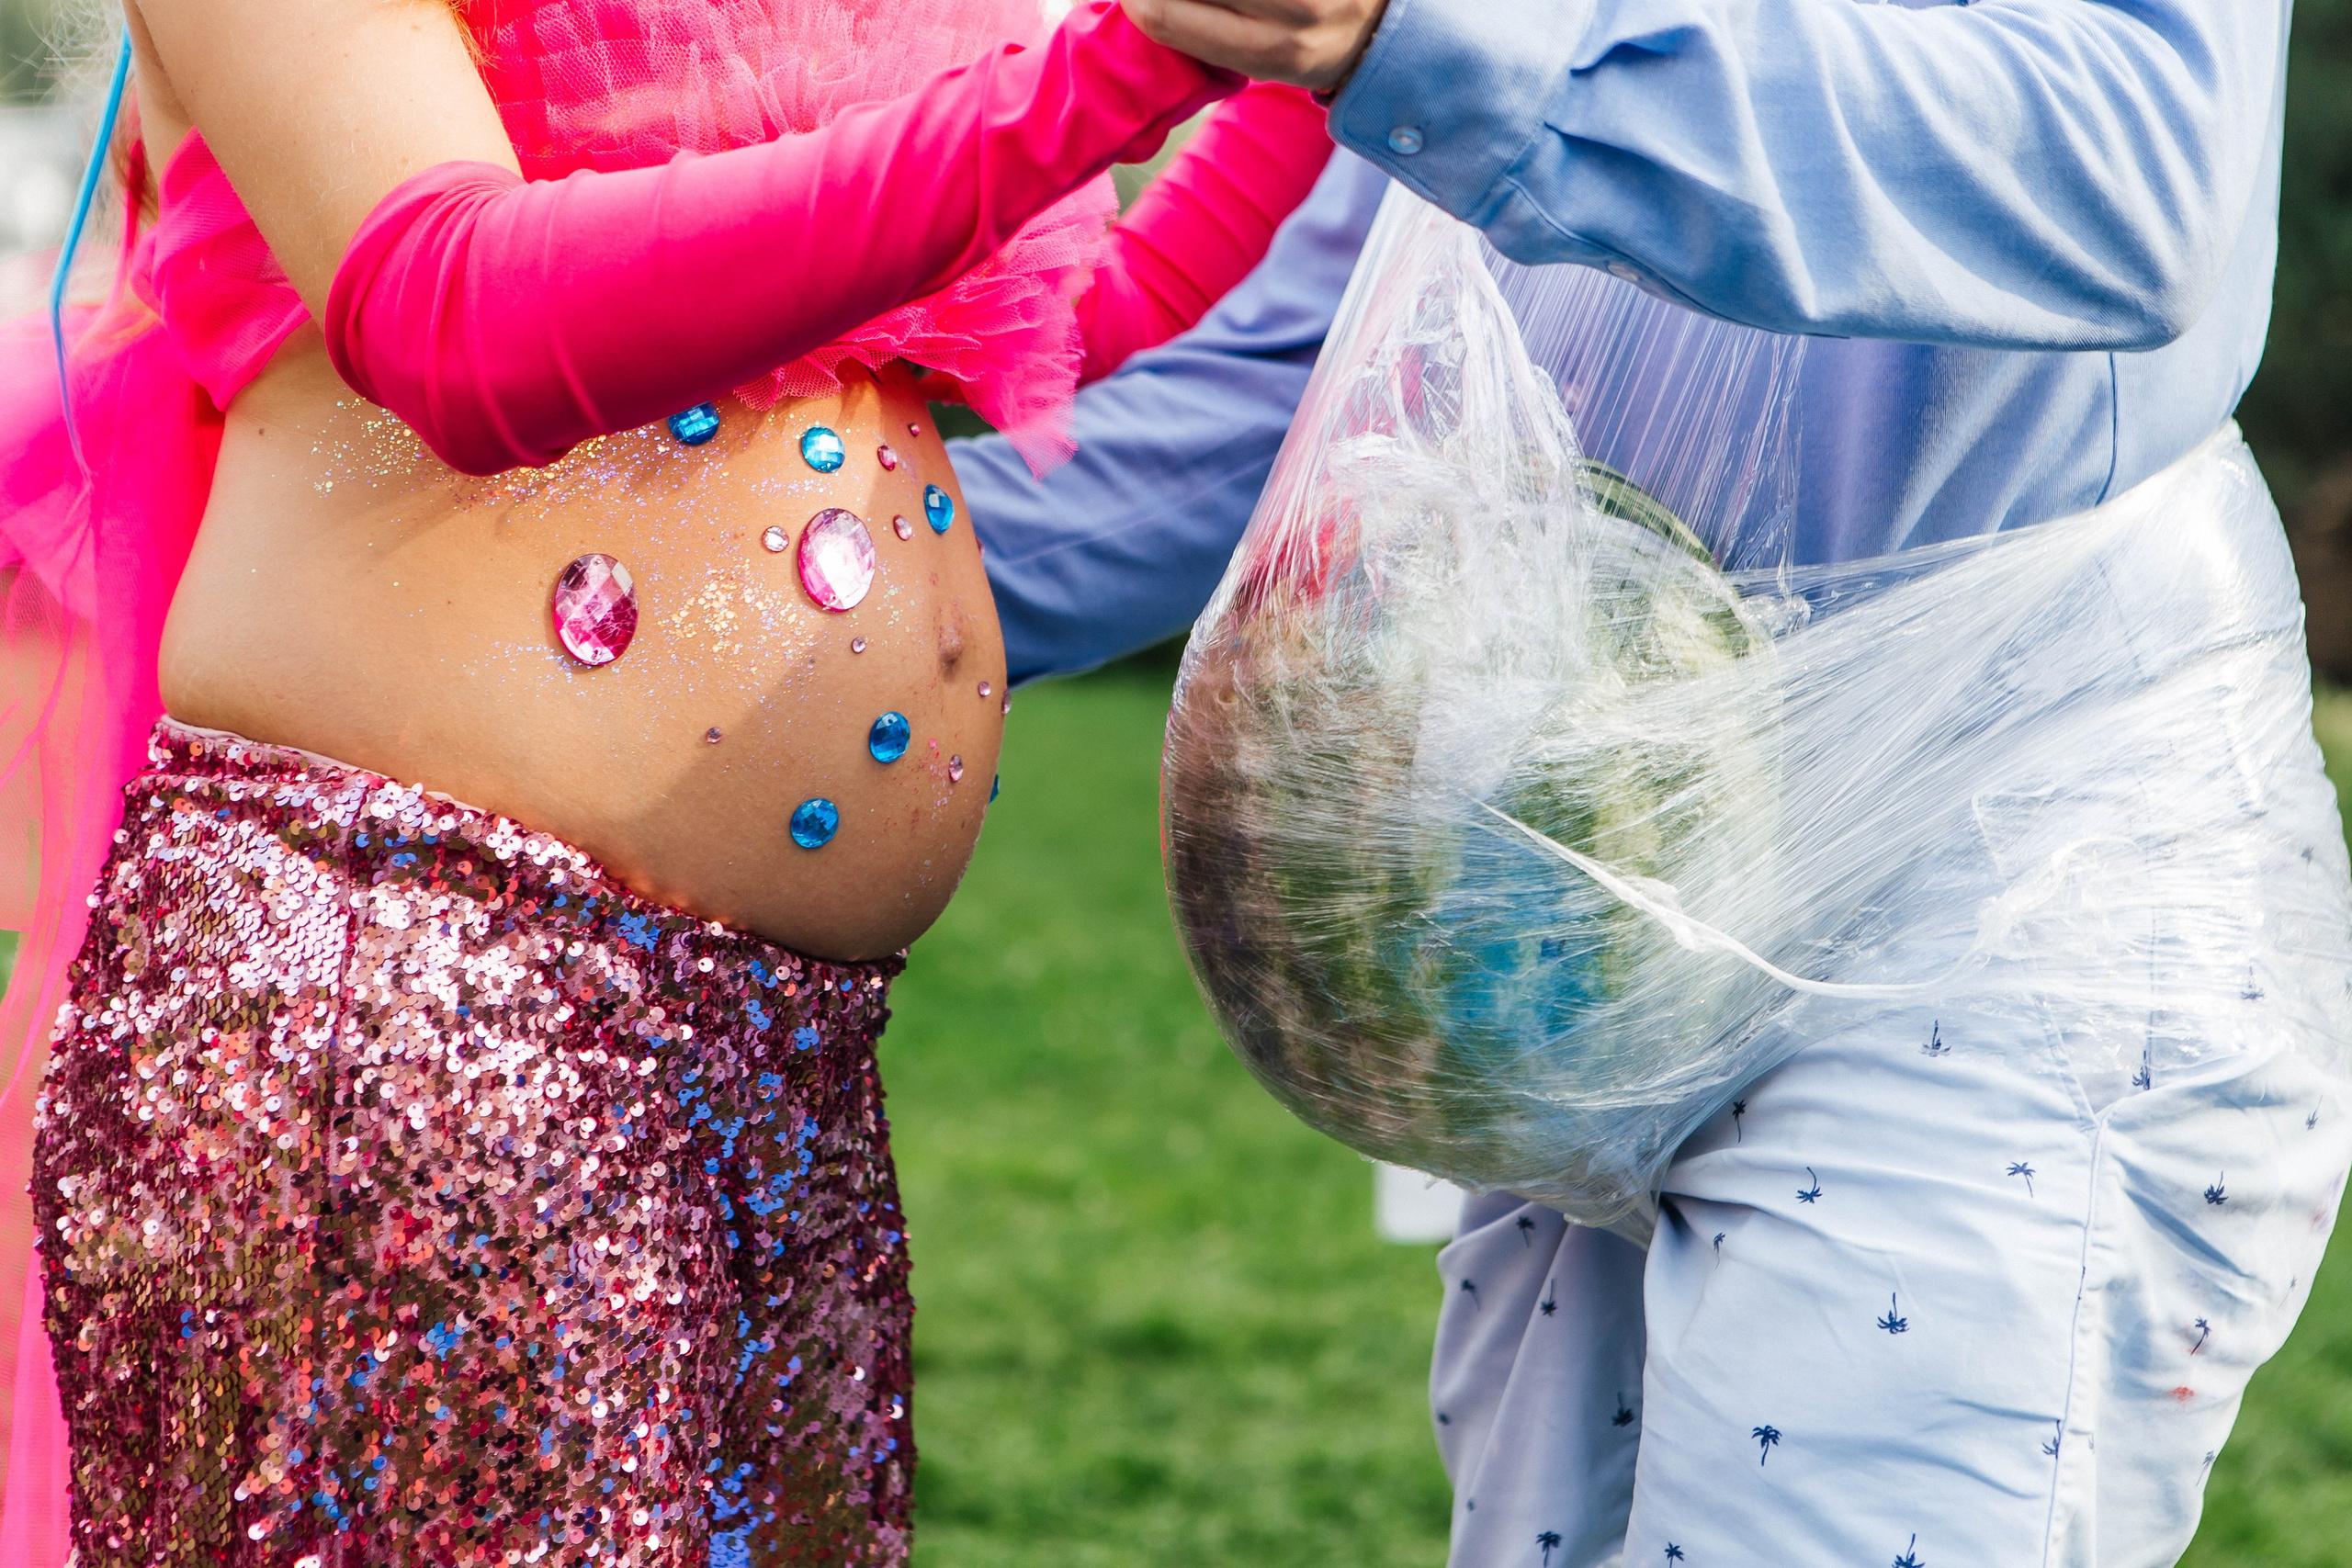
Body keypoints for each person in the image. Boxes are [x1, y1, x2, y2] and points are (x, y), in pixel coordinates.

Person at [953, 1, 2351, 1563]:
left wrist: (1439, 40)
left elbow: (2128, 168)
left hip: (1996, 907)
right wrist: (797, 593)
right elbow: (1312, 373)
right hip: (1577, 952)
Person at [0, 1, 1339, 1561]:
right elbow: (457, 308)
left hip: (778, 1058)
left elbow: (1047, 309)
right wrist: (1124, 70)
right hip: (429, 1001)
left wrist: (1318, 66)